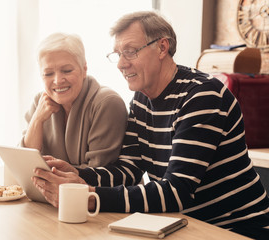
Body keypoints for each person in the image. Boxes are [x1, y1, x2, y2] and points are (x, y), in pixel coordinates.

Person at [32, 12, 269, 239]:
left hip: (237, 229)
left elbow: (176, 192)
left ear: (162, 48)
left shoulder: (202, 96)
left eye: (130, 52)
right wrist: (78, 175)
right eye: (118, 54)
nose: (121, 64)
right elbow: (128, 171)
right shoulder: (141, 100)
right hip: (182, 225)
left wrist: (91, 197)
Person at [21, 33, 127, 168]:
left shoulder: (107, 103)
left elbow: (98, 172)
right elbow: (24, 165)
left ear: (84, 69)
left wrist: (46, 173)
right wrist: (37, 120)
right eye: (48, 73)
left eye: (66, 70)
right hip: (50, 189)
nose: (58, 81)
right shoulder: (39, 102)